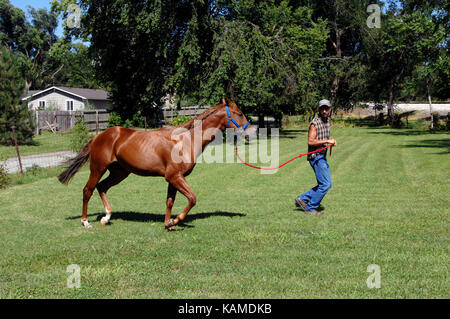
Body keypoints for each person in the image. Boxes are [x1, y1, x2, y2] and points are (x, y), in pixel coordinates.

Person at [295, 99, 337, 215]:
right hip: (316, 157)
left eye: (326, 108)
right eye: (322, 108)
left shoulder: (326, 120)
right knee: (325, 184)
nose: (324, 111)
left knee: (323, 184)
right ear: (318, 109)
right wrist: (328, 140)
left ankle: (303, 199)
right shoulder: (315, 123)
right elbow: (310, 141)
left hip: (321, 156)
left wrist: (328, 142)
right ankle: (311, 208)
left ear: (330, 109)